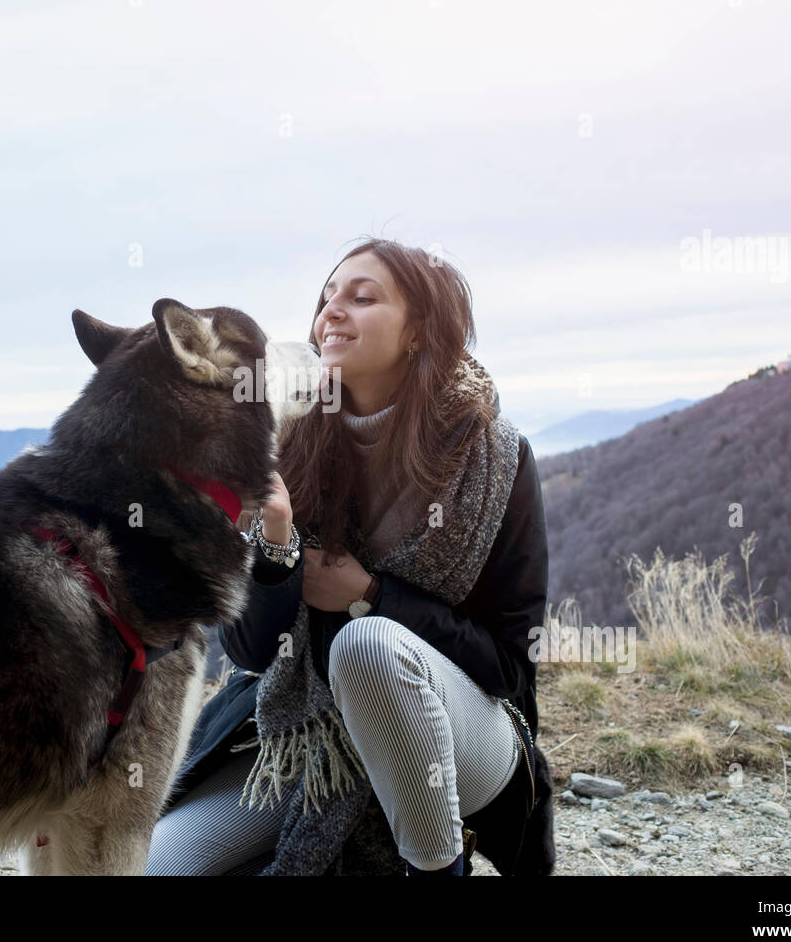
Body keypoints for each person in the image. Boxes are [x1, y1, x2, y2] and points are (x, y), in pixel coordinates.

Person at [145, 237, 552, 876]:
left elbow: (509, 665)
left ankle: (437, 869)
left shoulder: (494, 460)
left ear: (418, 331)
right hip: (311, 739)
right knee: (152, 867)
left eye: (361, 298)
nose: (331, 311)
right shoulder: (291, 442)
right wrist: (276, 540)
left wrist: (372, 597)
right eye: (326, 297)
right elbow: (253, 656)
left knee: (366, 649)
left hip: (464, 738)